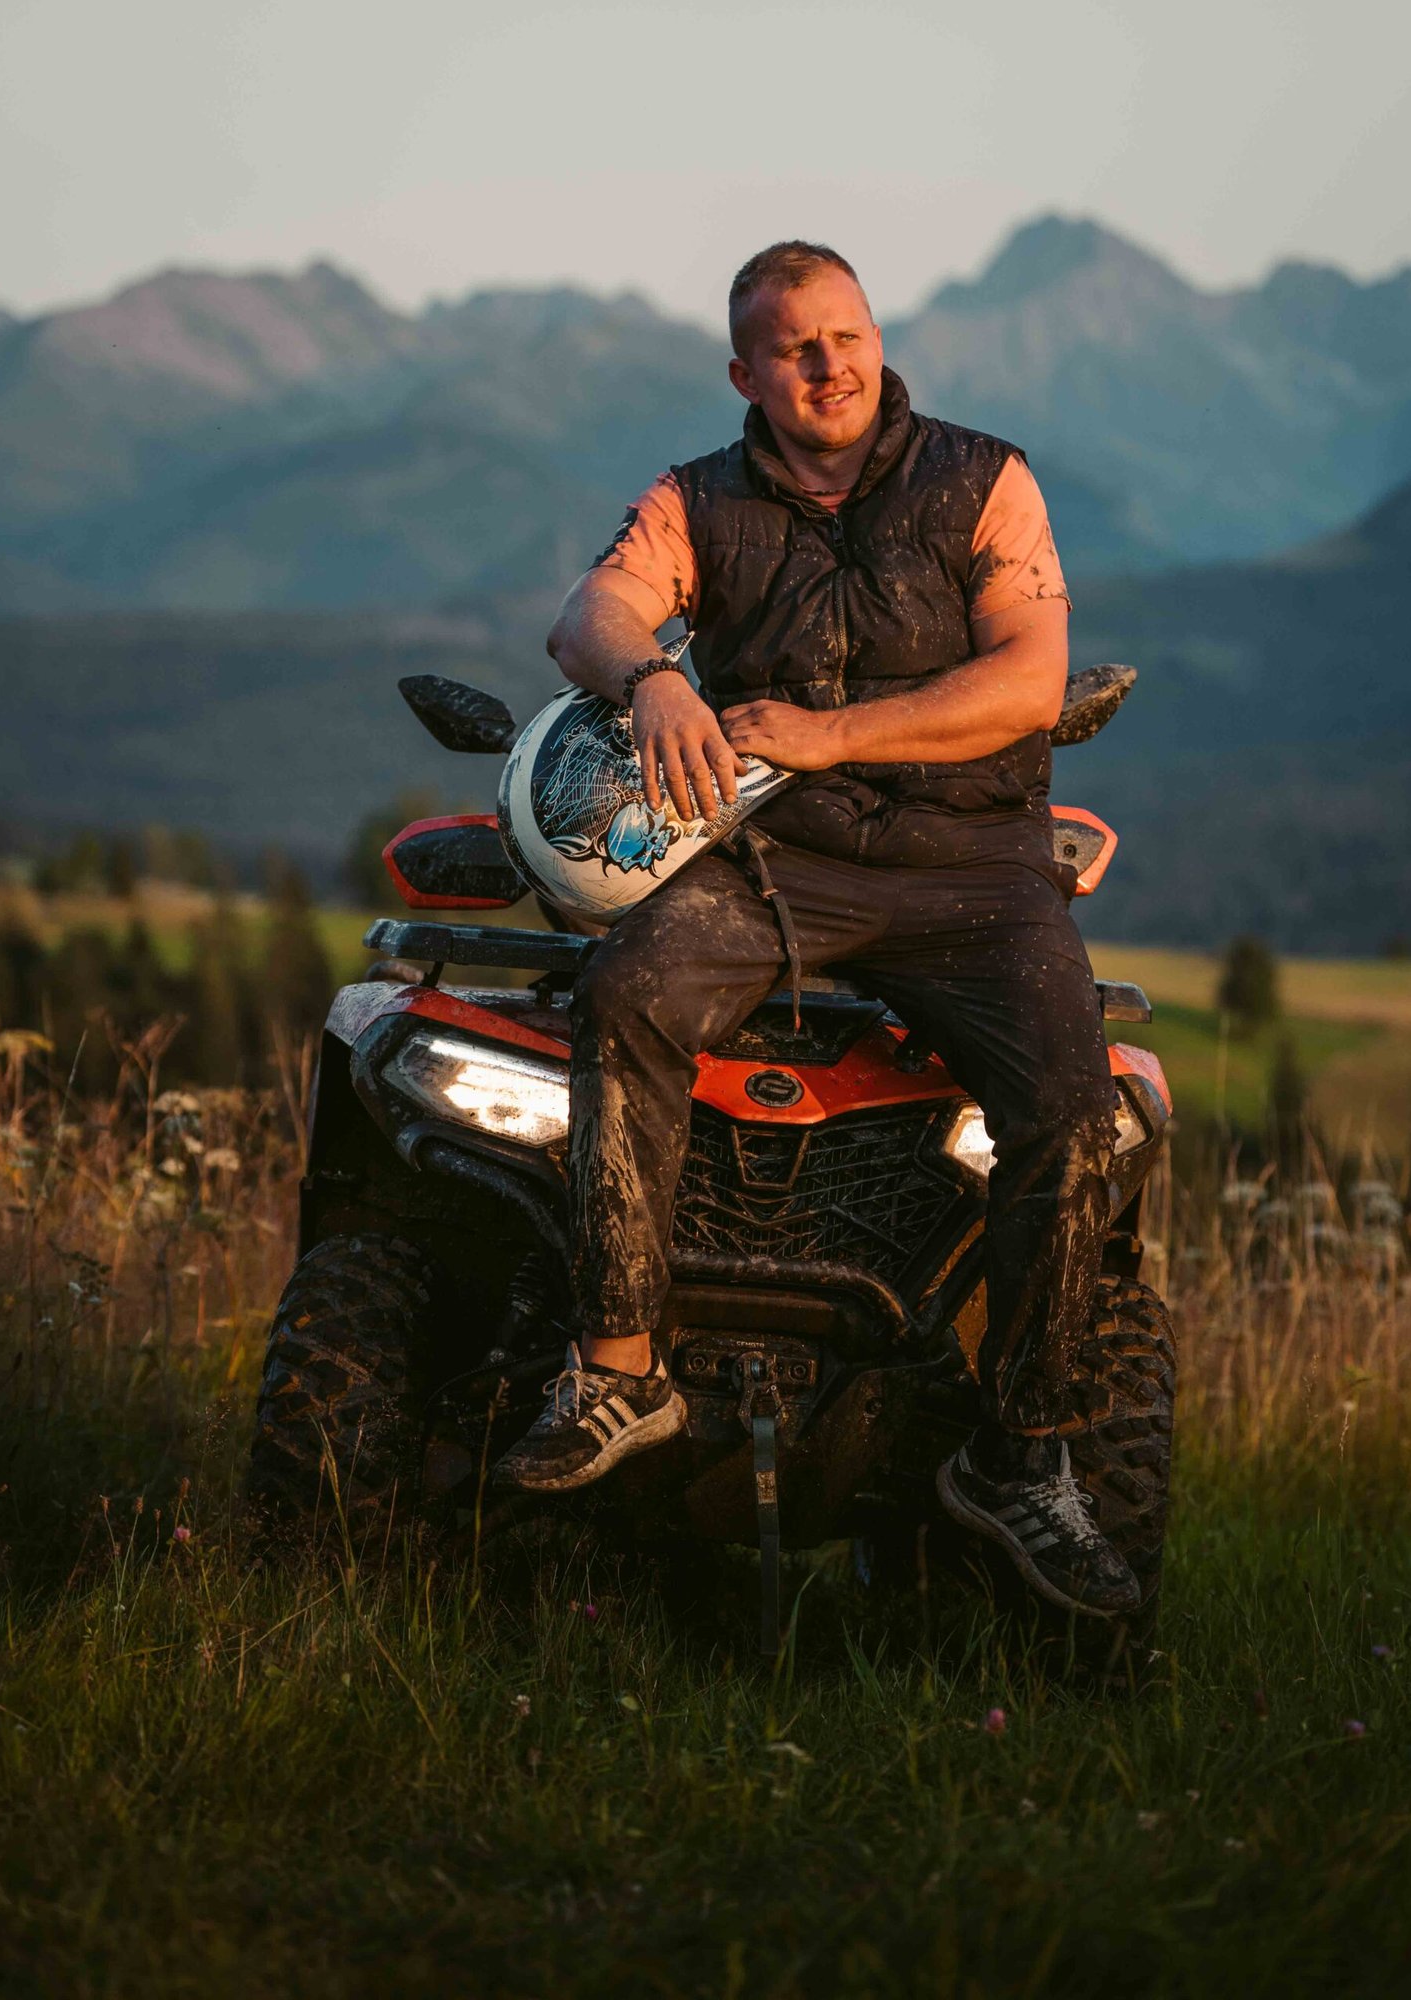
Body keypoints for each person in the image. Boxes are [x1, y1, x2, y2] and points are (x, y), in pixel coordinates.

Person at [494, 241, 1137, 1616]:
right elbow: (588, 614)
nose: (827, 366)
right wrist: (652, 679)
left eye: (844, 336)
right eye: (794, 348)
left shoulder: (985, 480)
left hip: (974, 867)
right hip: (775, 863)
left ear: (877, 338)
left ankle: (1021, 1454)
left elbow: (1030, 683)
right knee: (625, 994)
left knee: (1079, 1111)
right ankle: (619, 1372)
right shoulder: (696, 499)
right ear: (747, 374)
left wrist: (834, 734)